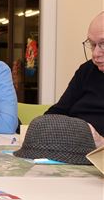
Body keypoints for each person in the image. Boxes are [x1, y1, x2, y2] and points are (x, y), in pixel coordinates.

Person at [44, 11, 104, 139]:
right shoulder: (87, 70)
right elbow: (56, 112)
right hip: (72, 146)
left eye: (103, 44)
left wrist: (101, 144)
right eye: (92, 45)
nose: (95, 53)